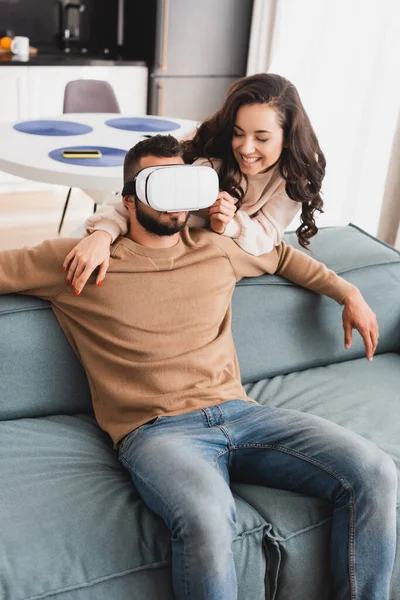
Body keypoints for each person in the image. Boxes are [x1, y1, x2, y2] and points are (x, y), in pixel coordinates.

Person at [0, 135, 395, 600]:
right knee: (208, 517)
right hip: (158, 433)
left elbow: (285, 257)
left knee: (375, 471)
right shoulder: (80, 260)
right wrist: (100, 236)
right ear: (127, 198)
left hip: (243, 414)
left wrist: (349, 294)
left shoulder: (218, 245)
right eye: (160, 186)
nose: (175, 201)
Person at [62, 73, 326, 294]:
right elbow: (136, 191)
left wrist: (229, 224)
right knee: (73, 255)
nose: (246, 148)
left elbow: (269, 237)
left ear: (289, 137)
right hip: (149, 234)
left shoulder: (296, 172)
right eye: (238, 133)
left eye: (262, 138)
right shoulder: (206, 144)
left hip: (193, 256)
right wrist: (102, 234)